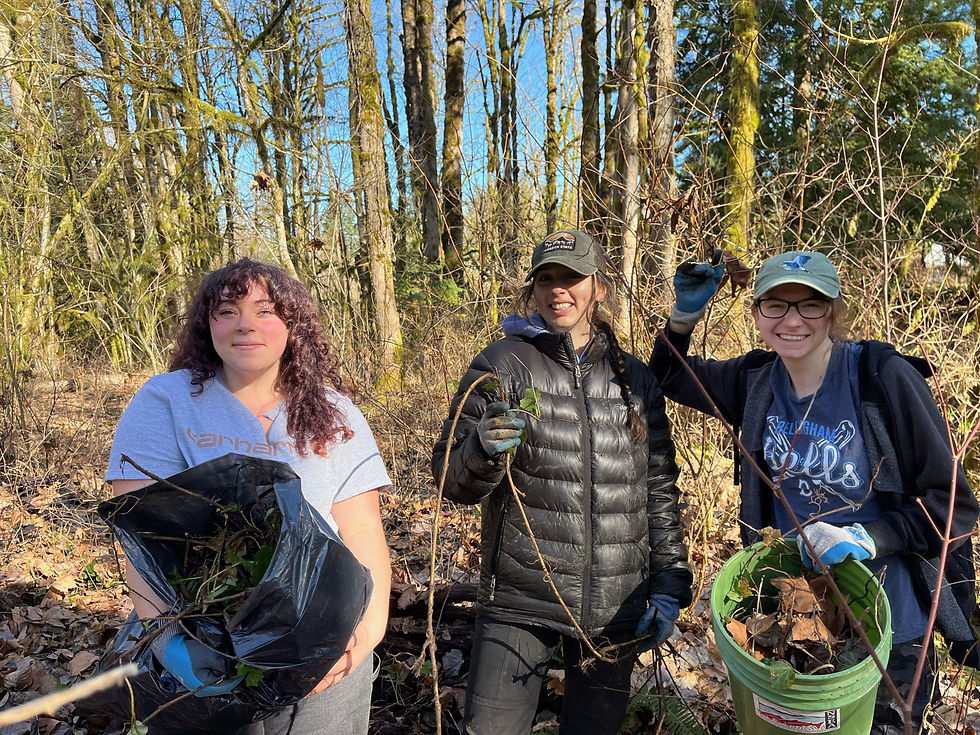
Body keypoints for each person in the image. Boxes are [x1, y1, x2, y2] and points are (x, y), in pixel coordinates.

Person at [651, 249, 979, 733]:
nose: (792, 320)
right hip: (796, 619)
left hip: (889, 624)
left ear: (834, 309)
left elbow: (954, 504)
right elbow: (668, 375)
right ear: (758, 311)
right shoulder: (755, 381)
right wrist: (684, 315)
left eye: (811, 305)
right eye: (776, 305)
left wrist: (871, 538)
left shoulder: (880, 379)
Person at [105, 258, 392, 734]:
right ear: (207, 325)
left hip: (318, 631)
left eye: (265, 310)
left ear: (292, 324)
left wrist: (367, 629)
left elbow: (361, 528)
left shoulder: (336, 413)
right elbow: (143, 533)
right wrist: (167, 636)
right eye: (227, 311)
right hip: (200, 630)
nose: (245, 325)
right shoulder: (167, 401)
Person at [431, 229, 694, 735]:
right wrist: (482, 449)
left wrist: (668, 586)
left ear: (599, 287)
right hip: (519, 596)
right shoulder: (502, 363)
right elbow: (450, 479)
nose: (558, 290)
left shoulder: (635, 379)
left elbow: (658, 490)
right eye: (545, 279)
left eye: (572, 277)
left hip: (615, 604)